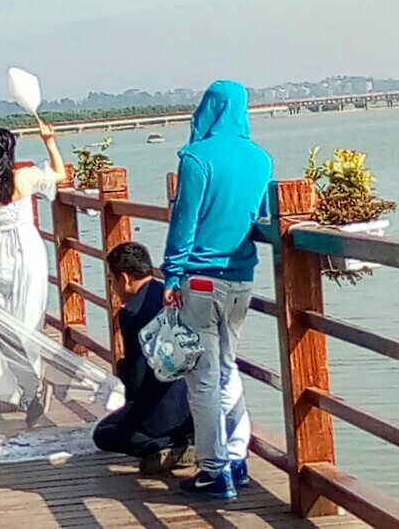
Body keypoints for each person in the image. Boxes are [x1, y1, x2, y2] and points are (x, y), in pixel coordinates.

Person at [162, 80, 271, 500]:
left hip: (201, 281)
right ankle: (238, 456)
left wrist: (172, 276)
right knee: (228, 366)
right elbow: (262, 216)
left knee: (202, 377)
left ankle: (213, 470)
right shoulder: (260, 158)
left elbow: (184, 223)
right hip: (241, 278)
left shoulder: (195, 157)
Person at [0, 119, 67, 410]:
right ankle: (32, 387)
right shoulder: (26, 176)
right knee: (29, 318)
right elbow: (60, 174)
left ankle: (17, 387)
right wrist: (49, 140)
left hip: (1, 252)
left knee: (2, 319)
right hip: (30, 249)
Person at [93, 243, 194, 473]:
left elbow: (136, 377)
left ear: (124, 279)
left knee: (103, 433)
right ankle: (189, 439)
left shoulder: (131, 312)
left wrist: (122, 373)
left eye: (111, 280)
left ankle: (161, 446)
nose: (113, 287)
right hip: (193, 406)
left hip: (158, 412)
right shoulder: (172, 295)